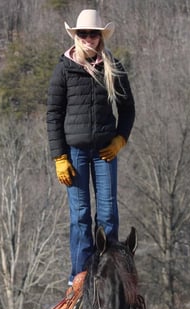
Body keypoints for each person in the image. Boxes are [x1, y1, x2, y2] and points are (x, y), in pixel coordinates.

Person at [47, 9, 135, 285]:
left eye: (93, 34)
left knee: (108, 214)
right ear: (76, 36)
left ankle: (108, 272)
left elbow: (127, 109)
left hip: (104, 152)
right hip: (74, 153)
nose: (88, 38)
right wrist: (59, 157)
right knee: (81, 215)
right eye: (83, 34)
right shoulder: (64, 69)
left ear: (100, 37)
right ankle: (80, 274)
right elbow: (53, 114)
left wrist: (120, 138)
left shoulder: (112, 66)